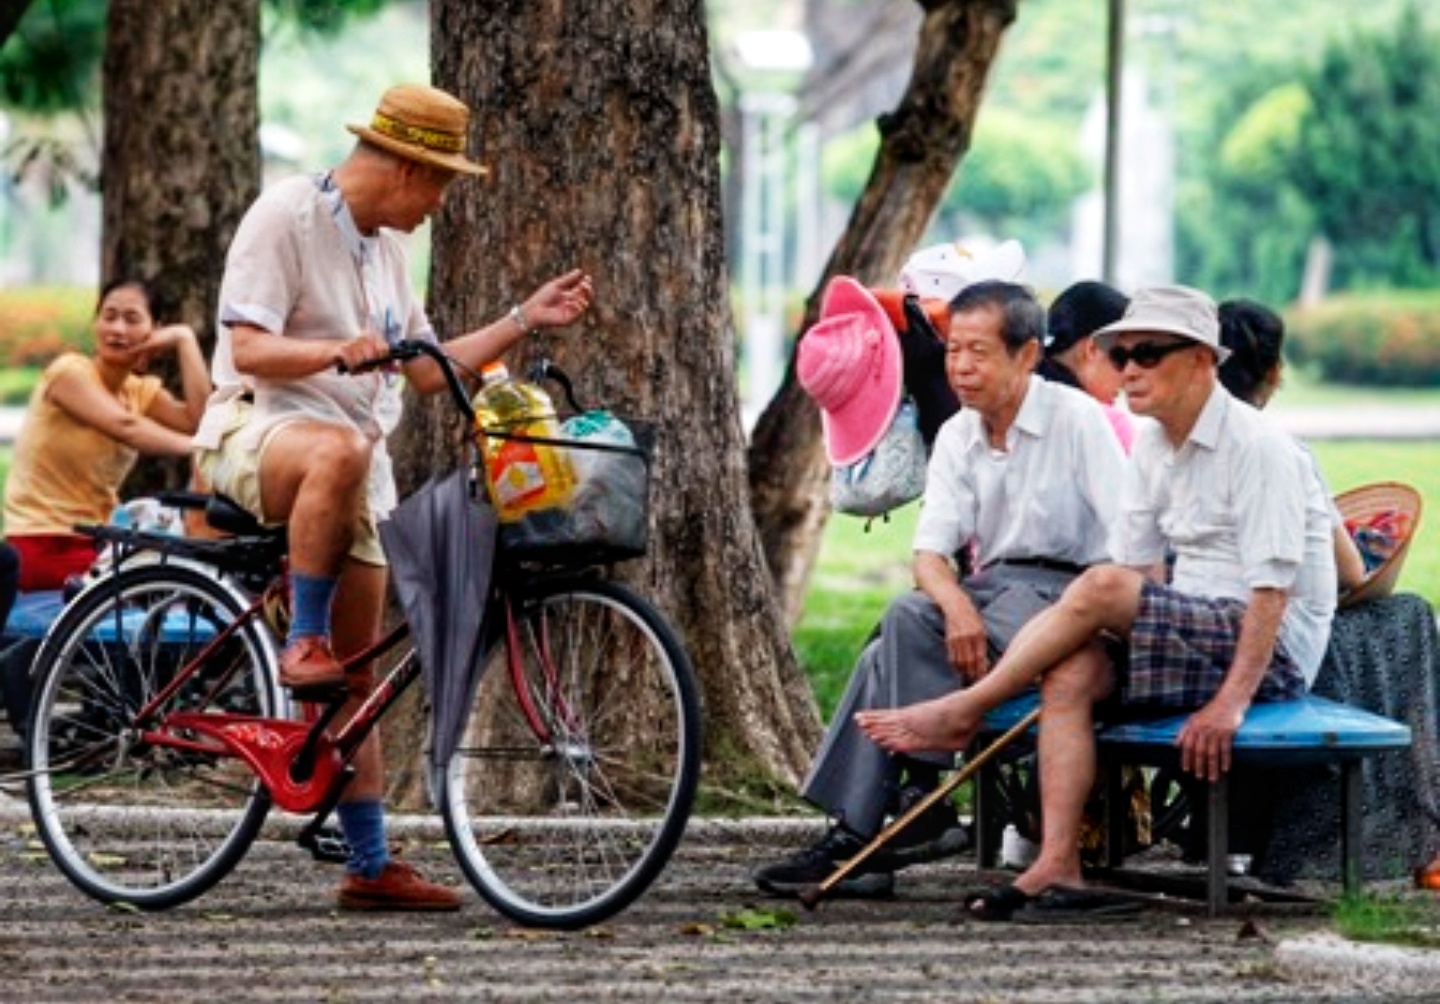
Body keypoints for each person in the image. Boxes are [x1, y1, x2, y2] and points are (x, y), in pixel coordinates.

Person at [193, 82, 594, 912]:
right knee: (335, 454)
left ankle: (369, 865)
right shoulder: (287, 216)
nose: (439, 204)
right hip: (257, 433)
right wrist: (338, 351)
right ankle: (298, 636)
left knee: (359, 678)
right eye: (441, 184)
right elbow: (248, 348)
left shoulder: (384, 250)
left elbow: (420, 362)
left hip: (350, 470)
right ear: (408, 168)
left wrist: (525, 318)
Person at [855, 285, 1338, 921]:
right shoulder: (1155, 445)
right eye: (1121, 353)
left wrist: (1229, 704)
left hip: (1266, 647)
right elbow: (1140, 564)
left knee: (1102, 586)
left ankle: (964, 710)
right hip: (1196, 625)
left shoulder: (1258, 446)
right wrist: (1113, 635)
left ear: (1201, 361)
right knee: (1073, 668)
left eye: (1149, 354)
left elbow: (1273, 593)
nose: (1128, 367)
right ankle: (1058, 863)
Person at [753, 280, 1125, 898]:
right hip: (992, 590)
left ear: (1027, 355)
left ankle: (877, 826)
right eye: (953, 351)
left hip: (1069, 594)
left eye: (978, 352)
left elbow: (1125, 546)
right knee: (903, 621)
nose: (960, 366)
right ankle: (901, 817)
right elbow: (928, 554)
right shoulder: (958, 433)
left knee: (886, 649)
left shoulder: (1077, 420)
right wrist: (955, 607)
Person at [3, 277, 208, 591]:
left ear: (154, 329)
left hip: (95, 543)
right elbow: (126, 427)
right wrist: (200, 448)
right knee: (162, 584)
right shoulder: (69, 373)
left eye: (132, 319)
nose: (117, 329)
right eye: (109, 316)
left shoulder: (137, 391)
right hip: (42, 542)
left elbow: (202, 419)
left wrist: (184, 339)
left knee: (182, 577)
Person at [1217, 298, 1366, 592]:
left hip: (1194, 604)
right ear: (1274, 372)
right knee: (1408, 609)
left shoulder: (1173, 442)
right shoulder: (1287, 452)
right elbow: (1351, 572)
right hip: (1262, 618)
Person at [1037, 281, 1136, 452]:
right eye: (1122, 358)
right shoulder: (1107, 425)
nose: (1128, 375)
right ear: (1092, 349)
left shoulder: (1012, 403)